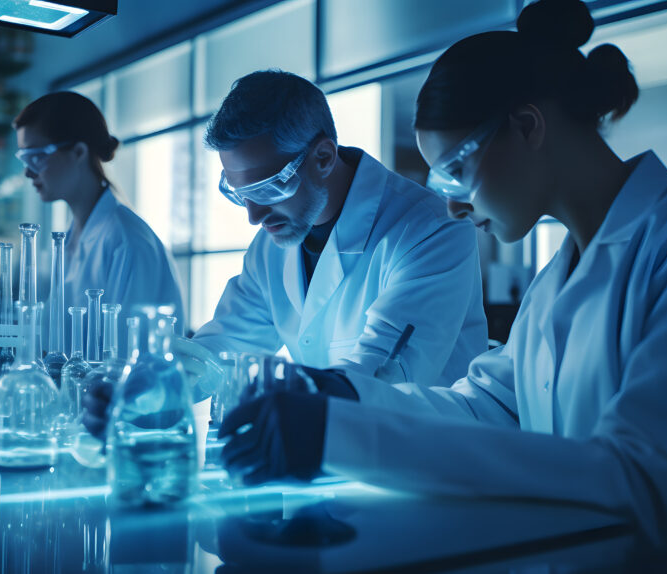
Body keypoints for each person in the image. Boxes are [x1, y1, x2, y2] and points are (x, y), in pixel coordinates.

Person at [219, 0, 667, 567]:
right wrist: (337, 399)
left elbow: (643, 484)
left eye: (456, 171)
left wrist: (344, 436)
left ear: (527, 127)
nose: (451, 202)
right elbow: (486, 407)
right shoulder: (552, 284)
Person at [191, 70, 488, 387]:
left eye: (268, 190)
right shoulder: (268, 248)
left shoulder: (430, 230)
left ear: (323, 158)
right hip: (334, 431)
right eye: (242, 195)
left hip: (423, 435)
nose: (254, 215)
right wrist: (163, 380)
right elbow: (225, 346)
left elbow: (383, 375)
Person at [13, 92, 186, 335]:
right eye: (24, 160)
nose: (29, 174)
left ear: (79, 152)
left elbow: (127, 357)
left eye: (36, 157)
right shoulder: (72, 236)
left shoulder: (126, 240)